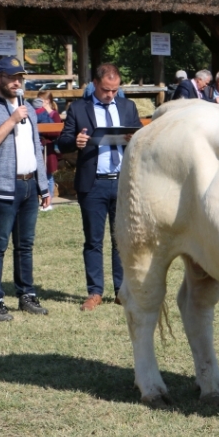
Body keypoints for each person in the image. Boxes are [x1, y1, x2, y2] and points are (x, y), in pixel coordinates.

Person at [0, 56, 50, 321]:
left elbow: (36, 147)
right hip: (2, 187)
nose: (17, 82)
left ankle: (26, 295)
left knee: (25, 245)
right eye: (12, 77)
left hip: (29, 185)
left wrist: (43, 184)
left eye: (20, 78)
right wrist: (13, 119)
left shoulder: (26, 107)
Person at [57, 63, 142, 311]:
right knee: (93, 241)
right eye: (106, 90)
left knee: (121, 240)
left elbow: (141, 136)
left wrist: (134, 138)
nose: (110, 95)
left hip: (123, 182)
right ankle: (94, 292)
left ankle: (120, 291)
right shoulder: (79, 108)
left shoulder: (128, 107)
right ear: (94, 84)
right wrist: (76, 141)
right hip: (92, 185)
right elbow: (62, 142)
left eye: (115, 90)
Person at [33, 92, 62, 206]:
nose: (39, 102)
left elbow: (56, 132)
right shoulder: (37, 112)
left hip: (49, 148)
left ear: (47, 101)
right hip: (39, 146)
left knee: (48, 175)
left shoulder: (54, 115)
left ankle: (48, 201)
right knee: (39, 174)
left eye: (42, 100)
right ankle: (41, 199)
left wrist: (43, 131)